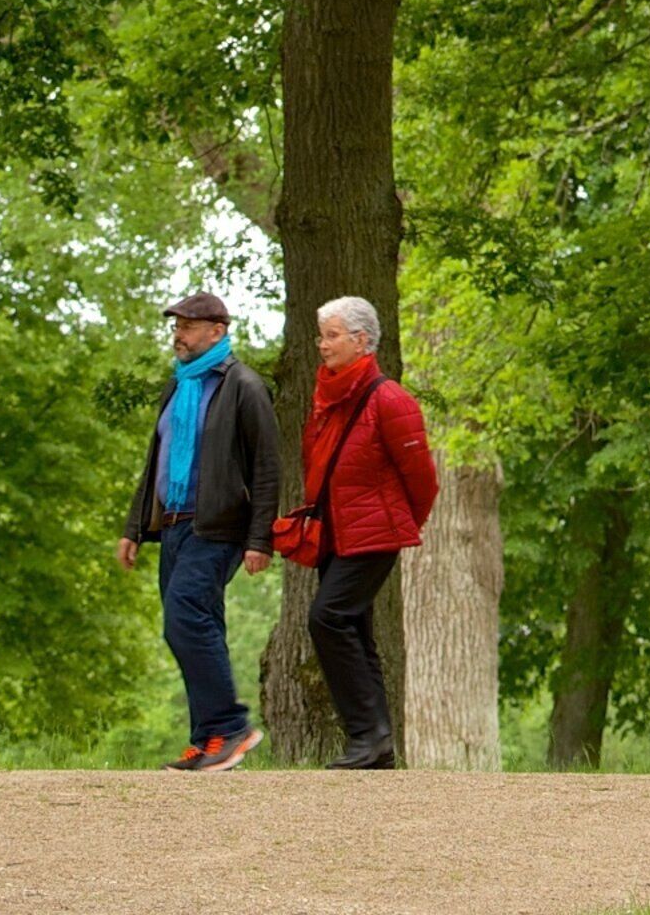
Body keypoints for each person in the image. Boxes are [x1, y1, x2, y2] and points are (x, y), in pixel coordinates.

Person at [117, 290, 281, 771]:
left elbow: (267, 468)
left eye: (188, 327)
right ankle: (208, 740)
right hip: (172, 526)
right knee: (194, 626)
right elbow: (155, 465)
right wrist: (133, 528)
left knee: (184, 614)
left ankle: (231, 726)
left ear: (218, 331)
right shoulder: (177, 387)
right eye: (176, 327)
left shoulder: (244, 386)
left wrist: (260, 539)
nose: (179, 336)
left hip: (219, 525)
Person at [299, 293, 438, 769]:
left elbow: (423, 479)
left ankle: (366, 735)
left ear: (361, 341)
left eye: (332, 336)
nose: (323, 345)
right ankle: (376, 745)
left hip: (373, 534)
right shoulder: (331, 398)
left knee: (327, 618)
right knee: (354, 629)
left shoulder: (389, 398)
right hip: (335, 535)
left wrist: (398, 525)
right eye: (322, 336)